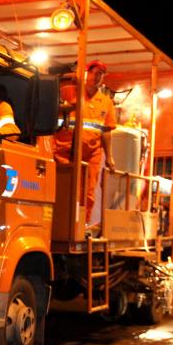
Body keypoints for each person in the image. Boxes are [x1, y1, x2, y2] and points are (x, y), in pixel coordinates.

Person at [54, 60, 118, 225]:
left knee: (88, 192)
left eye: (100, 74)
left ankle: (83, 224)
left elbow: (106, 131)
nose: (96, 77)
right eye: (93, 72)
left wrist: (110, 157)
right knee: (63, 187)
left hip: (92, 153)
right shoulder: (68, 92)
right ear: (86, 73)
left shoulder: (106, 102)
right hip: (64, 150)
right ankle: (60, 223)